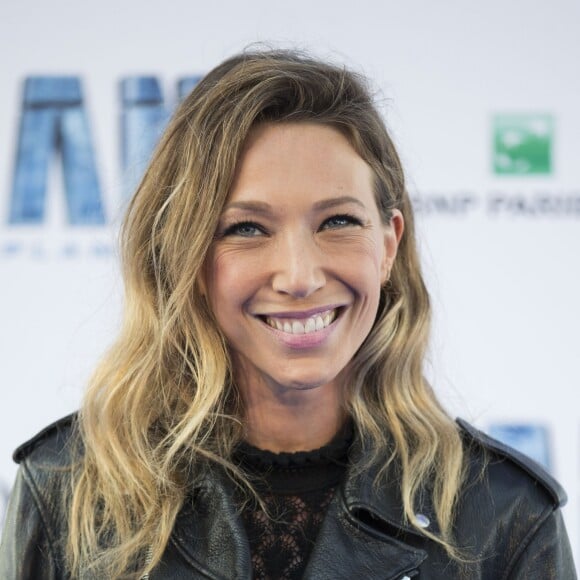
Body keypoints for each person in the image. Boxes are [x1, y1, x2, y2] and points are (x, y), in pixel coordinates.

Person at [0, 49, 575, 580]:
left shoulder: (504, 515)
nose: (299, 276)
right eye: (247, 229)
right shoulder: (66, 490)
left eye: (338, 222)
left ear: (388, 244)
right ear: (187, 256)